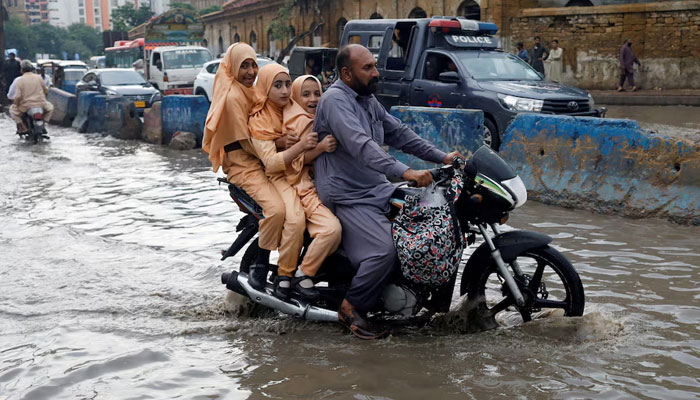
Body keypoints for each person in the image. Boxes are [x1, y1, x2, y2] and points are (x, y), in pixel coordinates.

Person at [312, 44, 462, 339]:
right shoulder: (335, 100)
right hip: (347, 194)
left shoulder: (367, 99)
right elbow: (361, 145)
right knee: (385, 250)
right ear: (347, 73)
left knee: (420, 228)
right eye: (367, 68)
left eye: (374, 65)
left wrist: (442, 157)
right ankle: (351, 307)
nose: (376, 72)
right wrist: (406, 172)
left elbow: (399, 133)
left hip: (375, 186)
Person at [202, 43, 291, 292]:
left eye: (253, 64)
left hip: (261, 159)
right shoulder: (232, 97)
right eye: (244, 66)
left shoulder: (249, 91)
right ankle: (261, 264)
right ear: (232, 67)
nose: (251, 71)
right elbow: (248, 142)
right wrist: (278, 144)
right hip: (244, 165)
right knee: (276, 210)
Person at [247, 64, 316, 300]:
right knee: (294, 219)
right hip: (278, 175)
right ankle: (283, 275)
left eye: (288, 84)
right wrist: (298, 146)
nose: (285, 91)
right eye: (277, 85)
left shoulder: (293, 109)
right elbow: (271, 164)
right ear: (265, 87)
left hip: (302, 173)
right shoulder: (259, 120)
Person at [10, 60, 53, 133]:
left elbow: (17, 96)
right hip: (41, 104)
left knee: (12, 110)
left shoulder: (20, 80)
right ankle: (43, 125)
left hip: (26, 106)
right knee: (50, 108)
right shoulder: (39, 78)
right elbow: (46, 90)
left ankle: (24, 128)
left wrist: (16, 104)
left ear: (22, 69)